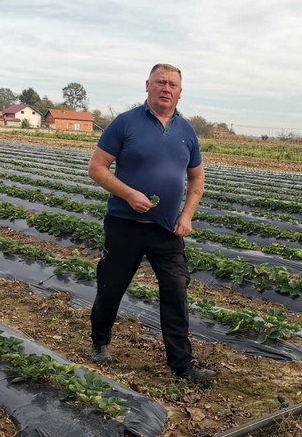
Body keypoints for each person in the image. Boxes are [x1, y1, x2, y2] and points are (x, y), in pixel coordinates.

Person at [87, 63, 215, 382]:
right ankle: (100, 342)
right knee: (111, 287)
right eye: (160, 82)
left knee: (175, 290)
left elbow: (197, 180)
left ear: (180, 92)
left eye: (172, 84)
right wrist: (128, 194)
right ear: (147, 85)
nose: (166, 88)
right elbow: (97, 167)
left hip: (167, 230)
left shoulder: (186, 131)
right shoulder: (125, 123)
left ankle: (182, 364)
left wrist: (186, 216)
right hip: (124, 224)